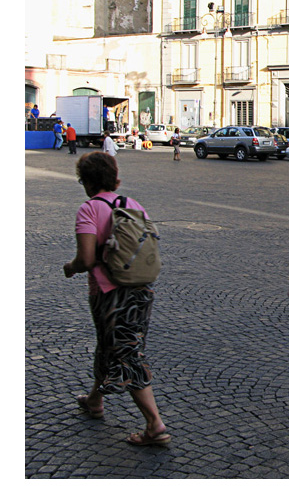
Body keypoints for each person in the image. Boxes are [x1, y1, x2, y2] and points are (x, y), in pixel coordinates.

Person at [63, 152, 170, 446]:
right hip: (142, 289)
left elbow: (86, 259)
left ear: (85, 181)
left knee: (127, 354)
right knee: (111, 347)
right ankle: (95, 400)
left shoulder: (89, 209)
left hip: (110, 294)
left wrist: (70, 268)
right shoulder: (133, 205)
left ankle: (154, 425)